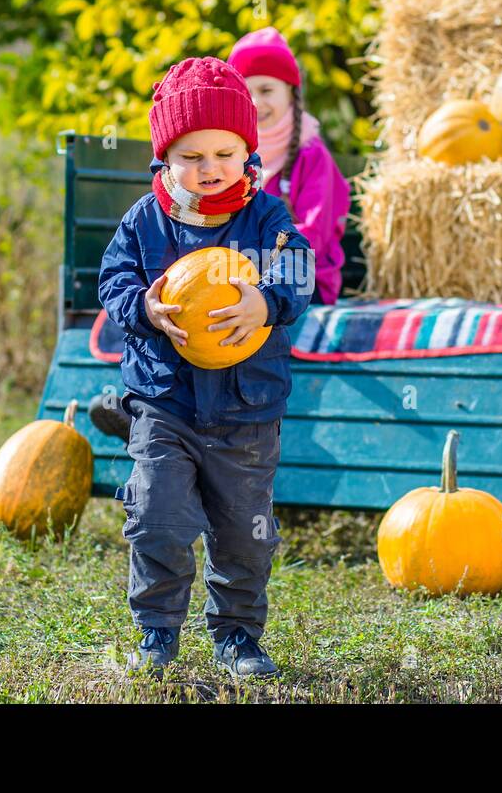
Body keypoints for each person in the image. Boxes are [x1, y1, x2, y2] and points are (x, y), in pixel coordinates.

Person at [95, 56, 314, 678]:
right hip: (165, 402)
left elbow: (300, 270)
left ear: (247, 153)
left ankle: (239, 635)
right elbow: (112, 279)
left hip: (247, 410)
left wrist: (267, 302)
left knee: (244, 533)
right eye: (192, 156)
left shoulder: (266, 218)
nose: (210, 168)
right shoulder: (145, 219)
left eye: (224, 153)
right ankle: (157, 631)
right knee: (157, 516)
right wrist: (144, 308)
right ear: (164, 158)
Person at [227, 26, 350, 305]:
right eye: (246, 91)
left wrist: (249, 255)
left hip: (301, 278)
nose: (256, 102)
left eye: (266, 90)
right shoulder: (228, 153)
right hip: (239, 272)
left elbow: (312, 235)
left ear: (290, 93)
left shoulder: (312, 155)